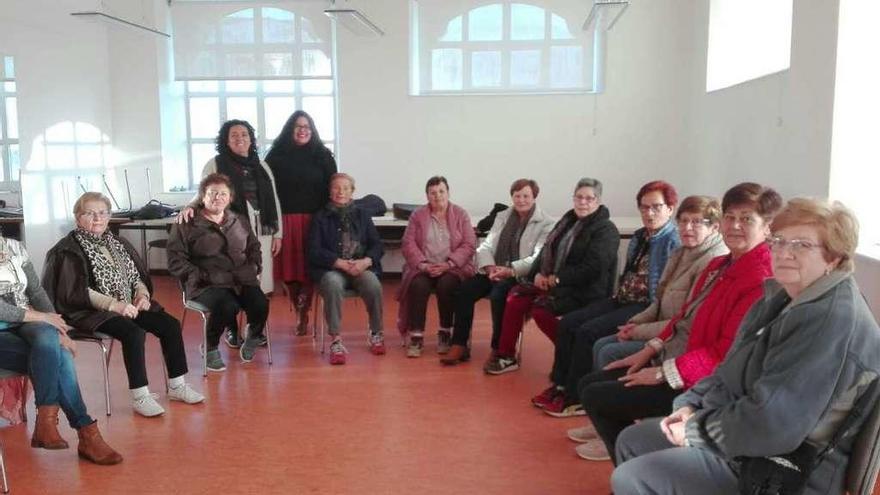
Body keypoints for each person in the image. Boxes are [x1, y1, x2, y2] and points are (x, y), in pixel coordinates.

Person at [612, 198, 880, 495]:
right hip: (748, 435)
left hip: (788, 468)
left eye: (802, 245)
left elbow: (774, 424)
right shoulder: (781, 295)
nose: (784, 252)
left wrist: (695, 429)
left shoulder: (829, 319)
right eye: (778, 241)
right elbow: (729, 369)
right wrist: (690, 406)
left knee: (632, 478)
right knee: (633, 440)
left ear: (833, 257)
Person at [572, 182, 778, 461]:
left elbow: (726, 354)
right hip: (681, 362)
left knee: (599, 397)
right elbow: (684, 315)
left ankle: (636, 462)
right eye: (730, 217)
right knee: (589, 385)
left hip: (706, 385)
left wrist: (662, 373)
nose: (735, 225)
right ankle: (633, 460)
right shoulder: (721, 265)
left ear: (767, 227)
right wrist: (648, 350)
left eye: (746, 219)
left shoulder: (759, 278)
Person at [44, 192, 204, 418]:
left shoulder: (117, 242)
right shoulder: (68, 249)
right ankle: (140, 396)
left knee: (169, 324)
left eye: (102, 213)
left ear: (109, 216)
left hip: (127, 304)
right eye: (89, 213)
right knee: (133, 332)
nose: (97, 218)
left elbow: (135, 276)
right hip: (89, 311)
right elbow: (77, 292)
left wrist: (142, 295)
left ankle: (177, 385)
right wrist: (115, 305)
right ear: (78, 217)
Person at [533, 181, 682, 416]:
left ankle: (575, 397)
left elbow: (668, 292)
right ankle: (559, 385)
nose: (649, 213)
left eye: (656, 207)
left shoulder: (674, 241)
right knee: (569, 322)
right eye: (644, 207)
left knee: (587, 332)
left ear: (670, 209)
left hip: (645, 306)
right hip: (622, 298)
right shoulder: (641, 236)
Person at [0, 234, 122, 465]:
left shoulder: (15, 247)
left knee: (50, 337)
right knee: (60, 357)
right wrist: (42, 317)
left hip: (26, 324)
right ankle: (85, 432)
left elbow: (35, 292)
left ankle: (47, 422)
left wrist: (60, 330)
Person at [484, 177, 620, 375]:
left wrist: (557, 278)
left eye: (589, 198)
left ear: (598, 201)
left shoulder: (606, 230)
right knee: (515, 297)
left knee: (541, 311)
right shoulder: (567, 221)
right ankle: (507, 356)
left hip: (582, 290)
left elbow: (593, 268)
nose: (583, 202)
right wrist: (538, 273)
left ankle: (573, 350)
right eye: (579, 197)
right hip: (555, 283)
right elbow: (545, 250)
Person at [177, 119, 282, 347]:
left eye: (244, 134)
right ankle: (232, 331)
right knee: (228, 283)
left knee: (256, 284)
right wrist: (189, 207)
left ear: (251, 139)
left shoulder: (261, 165)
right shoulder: (215, 163)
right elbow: (203, 194)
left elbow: (274, 199)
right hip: (229, 229)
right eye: (233, 135)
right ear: (226, 140)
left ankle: (254, 329)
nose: (240, 138)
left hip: (262, 231)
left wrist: (278, 233)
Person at [591, 196, 727, 371]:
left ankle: (612, 395)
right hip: (660, 330)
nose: (687, 228)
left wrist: (637, 332)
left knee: (608, 351)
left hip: (678, 340)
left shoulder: (713, 260)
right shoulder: (681, 252)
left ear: (714, 227)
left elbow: (686, 322)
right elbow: (659, 301)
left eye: (696, 222)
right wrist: (635, 323)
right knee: (600, 343)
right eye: (683, 221)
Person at [440, 178, 555, 365]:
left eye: (526, 196)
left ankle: (498, 347)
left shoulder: (546, 223)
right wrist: (490, 266)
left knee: (499, 294)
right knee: (465, 290)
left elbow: (537, 258)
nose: (521, 200)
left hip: (519, 275)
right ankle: (459, 344)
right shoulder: (503, 216)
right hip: (493, 269)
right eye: (517, 196)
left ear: (534, 197)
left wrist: (510, 271)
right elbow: (485, 245)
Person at [167, 173, 269, 372]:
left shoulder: (238, 220)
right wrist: (200, 275)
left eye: (223, 194)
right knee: (226, 306)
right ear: (202, 197)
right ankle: (210, 345)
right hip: (205, 283)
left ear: (230, 198)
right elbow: (175, 260)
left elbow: (254, 248)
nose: (218, 198)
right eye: (212, 193)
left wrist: (255, 267)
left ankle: (253, 335)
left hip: (240, 278)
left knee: (260, 304)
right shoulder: (187, 223)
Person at [266, 110, 337, 335]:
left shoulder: (323, 155)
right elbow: (266, 191)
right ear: (290, 129)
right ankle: (297, 308)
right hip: (284, 220)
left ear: (313, 130)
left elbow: (333, 188)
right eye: (298, 126)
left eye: (307, 126)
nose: (303, 130)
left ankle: (303, 309)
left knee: (309, 268)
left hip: (315, 221)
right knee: (288, 271)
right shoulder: (275, 156)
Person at [308, 173, 385, 365]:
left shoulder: (362, 215)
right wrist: (339, 263)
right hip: (333, 268)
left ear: (352, 192)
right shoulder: (320, 217)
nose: (340, 191)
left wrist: (366, 262)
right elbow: (314, 250)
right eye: (336, 187)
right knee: (332, 284)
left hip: (360, 266)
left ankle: (376, 332)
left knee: (372, 283)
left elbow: (377, 245)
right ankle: (335, 339)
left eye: (345, 188)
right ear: (330, 191)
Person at [398, 176, 476, 358]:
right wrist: (423, 265)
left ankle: (445, 333)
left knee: (447, 285)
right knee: (417, 285)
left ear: (448, 193)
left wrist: (448, 264)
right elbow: (408, 243)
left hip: (452, 267)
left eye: (441, 191)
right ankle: (416, 337)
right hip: (423, 267)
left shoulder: (461, 214)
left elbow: (469, 244)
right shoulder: (418, 215)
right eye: (432, 193)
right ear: (427, 196)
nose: (437, 196)